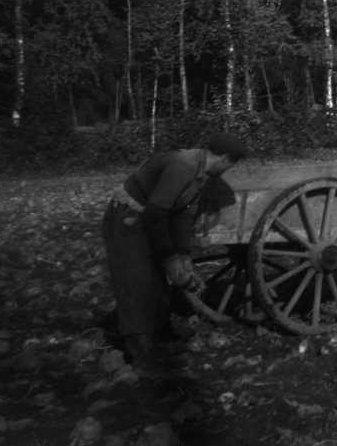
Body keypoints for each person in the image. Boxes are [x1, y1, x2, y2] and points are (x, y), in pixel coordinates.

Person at [102, 131, 248, 373]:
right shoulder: (182, 167)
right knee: (137, 282)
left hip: (149, 220)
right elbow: (155, 214)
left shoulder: (203, 174)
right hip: (126, 219)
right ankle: (140, 353)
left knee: (159, 283)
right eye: (233, 163)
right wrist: (171, 259)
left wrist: (183, 256)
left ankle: (158, 336)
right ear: (224, 158)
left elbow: (184, 215)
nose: (231, 168)